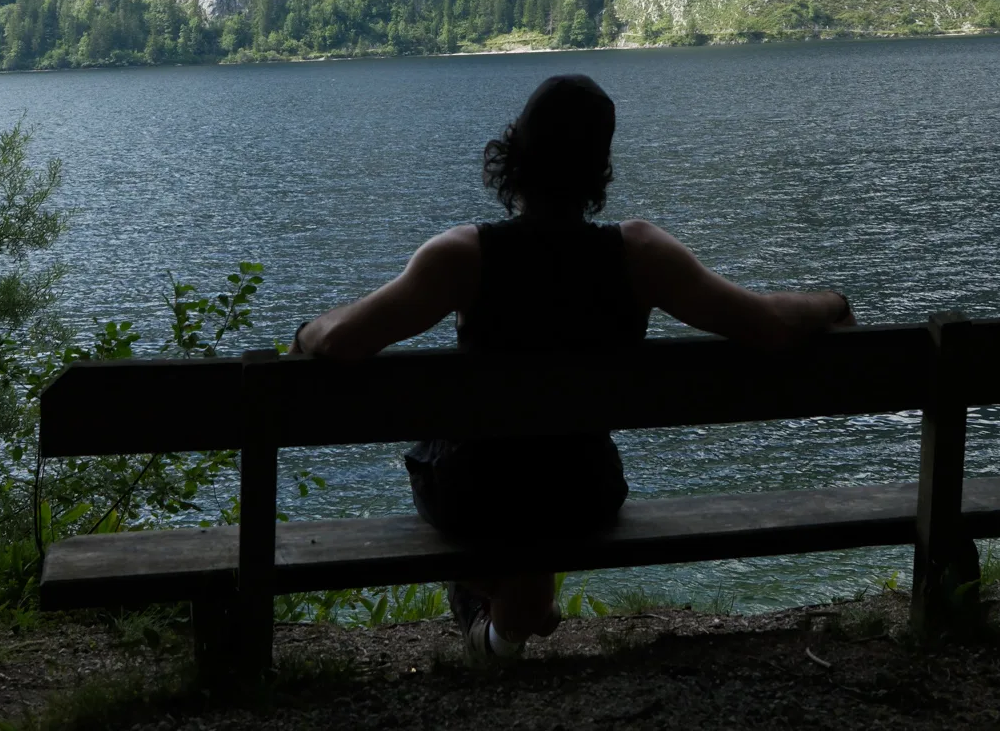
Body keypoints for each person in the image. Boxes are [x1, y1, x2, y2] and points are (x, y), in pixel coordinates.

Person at [290, 73, 853, 663]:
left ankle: (494, 613)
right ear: (599, 166)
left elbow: (341, 342)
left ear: (515, 155)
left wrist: (306, 331)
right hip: (582, 492)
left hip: (472, 496)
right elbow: (770, 324)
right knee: (546, 483)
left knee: (492, 475)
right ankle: (515, 602)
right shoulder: (640, 257)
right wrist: (832, 303)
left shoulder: (463, 258)